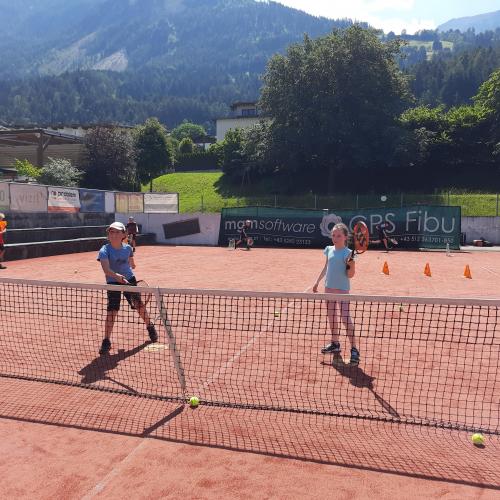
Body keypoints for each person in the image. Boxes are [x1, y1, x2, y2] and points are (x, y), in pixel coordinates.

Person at [97, 221, 157, 355]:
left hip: (129, 279)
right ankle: (106, 340)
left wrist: (132, 265)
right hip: (113, 282)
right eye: (111, 232)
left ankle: (150, 326)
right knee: (112, 311)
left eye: (117, 232)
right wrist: (117, 276)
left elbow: (131, 263)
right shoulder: (104, 250)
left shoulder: (128, 248)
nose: (113, 234)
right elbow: (106, 270)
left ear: (123, 234)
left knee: (139, 306)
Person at [312, 223, 360, 365]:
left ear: (345, 237)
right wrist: (317, 282)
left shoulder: (349, 253)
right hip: (329, 289)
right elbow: (326, 266)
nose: (335, 238)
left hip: (342, 291)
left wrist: (351, 264)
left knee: (346, 319)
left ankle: (354, 349)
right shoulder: (328, 250)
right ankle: (335, 343)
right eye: (333, 235)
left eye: (338, 235)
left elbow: (350, 275)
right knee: (332, 318)